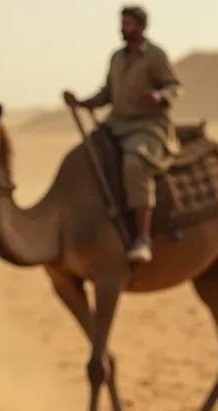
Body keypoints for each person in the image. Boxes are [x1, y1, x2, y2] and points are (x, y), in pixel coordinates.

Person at [63, 5, 183, 264]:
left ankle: (143, 238)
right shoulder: (116, 57)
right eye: (122, 23)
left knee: (133, 163)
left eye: (128, 24)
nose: (123, 28)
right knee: (86, 156)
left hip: (148, 125)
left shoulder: (155, 55)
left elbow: (174, 85)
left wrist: (160, 96)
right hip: (117, 123)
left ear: (141, 27)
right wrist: (82, 102)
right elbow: (107, 92)